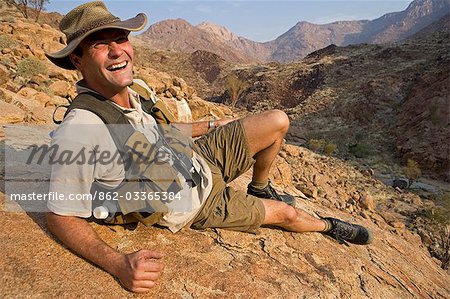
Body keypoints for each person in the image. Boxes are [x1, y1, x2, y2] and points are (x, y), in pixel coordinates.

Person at [44, 1, 372, 293]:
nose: (118, 51)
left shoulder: (134, 89)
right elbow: (60, 215)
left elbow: (164, 132)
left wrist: (214, 126)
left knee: (277, 121)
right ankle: (329, 225)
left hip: (197, 159)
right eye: (101, 45)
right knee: (288, 214)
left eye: (121, 38)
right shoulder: (82, 129)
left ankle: (259, 188)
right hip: (197, 203)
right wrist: (117, 264)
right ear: (77, 59)